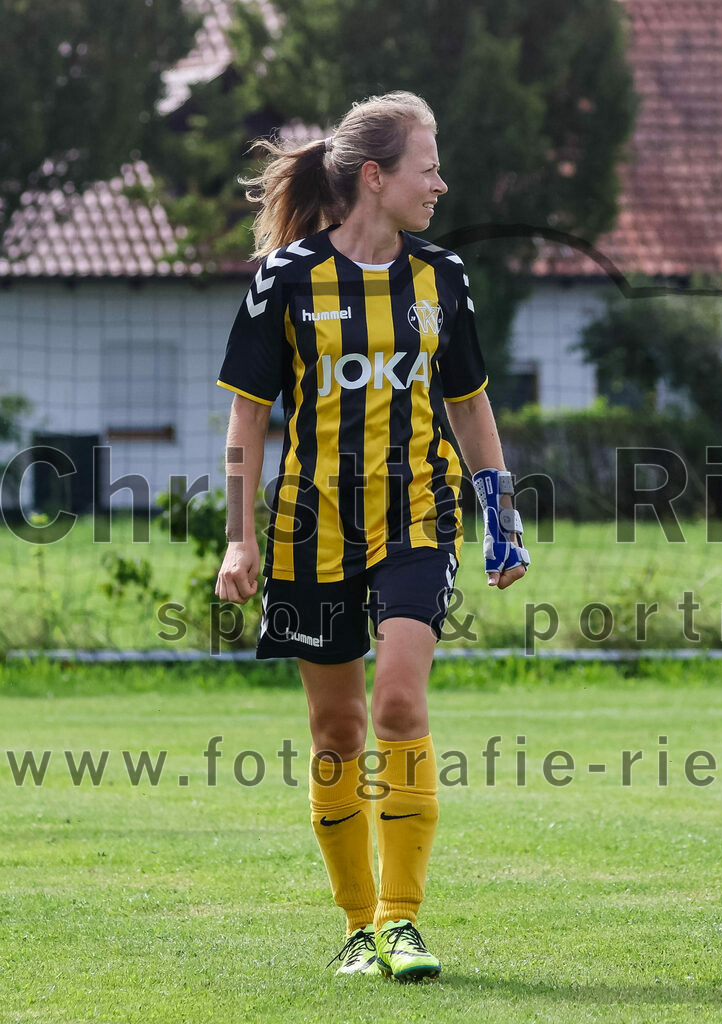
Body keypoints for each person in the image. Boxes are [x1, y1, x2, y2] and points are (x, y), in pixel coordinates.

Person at [213, 91, 529, 983]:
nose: (441, 182)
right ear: (375, 176)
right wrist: (240, 541)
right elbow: (247, 424)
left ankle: (402, 920)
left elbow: (469, 404)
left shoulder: (443, 277)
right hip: (310, 528)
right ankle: (357, 923)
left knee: (395, 703)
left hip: (419, 518)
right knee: (338, 730)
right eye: (428, 166)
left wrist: (499, 516)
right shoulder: (286, 279)